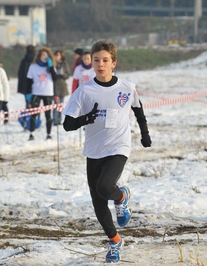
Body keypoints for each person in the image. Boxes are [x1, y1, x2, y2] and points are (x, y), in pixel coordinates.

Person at [62, 40, 152, 263]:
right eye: (96, 60)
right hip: (93, 150)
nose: (100, 64)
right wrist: (86, 118)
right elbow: (67, 124)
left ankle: (121, 196)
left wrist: (145, 134)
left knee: (105, 187)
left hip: (118, 146)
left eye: (105, 60)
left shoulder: (126, 87)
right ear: (91, 63)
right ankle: (114, 241)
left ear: (114, 63)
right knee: (98, 203)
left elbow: (139, 111)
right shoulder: (84, 91)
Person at [25, 46, 57, 141]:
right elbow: (29, 81)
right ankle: (31, 133)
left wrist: (50, 67)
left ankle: (48, 134)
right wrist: (28, 94)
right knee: (34, 113)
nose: (44, 57)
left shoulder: (51, 67)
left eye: (46, 55)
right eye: (43, 55)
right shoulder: (33, 66)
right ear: (39, 56)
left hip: (48, 93)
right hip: (36, 92)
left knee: (48, 114)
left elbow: (55, 78)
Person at [53, 50, 71, 125]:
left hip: (62, 85)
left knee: (61, 104)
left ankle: (59, 120)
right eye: (55, 54)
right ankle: (55, 120)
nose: (56, 56)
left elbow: (68, 74)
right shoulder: (53, 63)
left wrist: (62, 75)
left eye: (58, 55)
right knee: (55, 104)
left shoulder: (64, 64)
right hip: (54, 85)